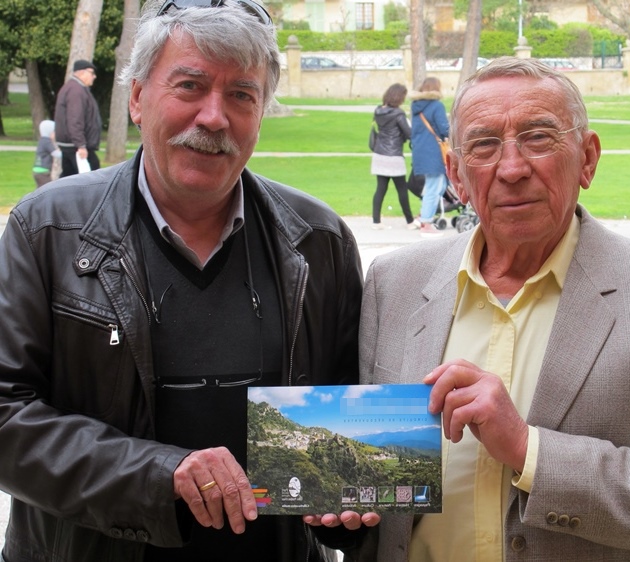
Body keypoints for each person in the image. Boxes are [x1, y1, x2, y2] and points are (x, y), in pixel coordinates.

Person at [0, 1, 377, 560]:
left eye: (241, 96)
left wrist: (350, 508)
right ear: (135, 98)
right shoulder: (47, 230)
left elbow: (350, 414)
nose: (213, 117)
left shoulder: (318, 241)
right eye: (190, 86)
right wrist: (162, 474)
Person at [357, 57, 630, 561]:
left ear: (587, 159)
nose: (512, 168)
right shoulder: (394, 283)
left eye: (539, 138)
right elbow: (372, 490)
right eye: (484, 145)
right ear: (456, 174)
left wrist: (525, 447)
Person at [369, 83, 419, 230]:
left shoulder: (378, 111)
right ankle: (410, 221)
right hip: (394, 155)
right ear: (399, 97)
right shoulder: (398, 114)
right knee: (402, 189)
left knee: (381, 189)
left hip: (379, 154)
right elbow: (409, 134)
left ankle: (376, 221)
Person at [410, 77, 449, 238]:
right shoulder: (436, 106)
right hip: (434, 152)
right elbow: (444, 128)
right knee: (436, 186)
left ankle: (422, 216)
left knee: (435, 185)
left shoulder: (415, 106)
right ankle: (426, 221)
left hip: (420, 151)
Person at [54, 58, 102, 176]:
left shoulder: (75, 88)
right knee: (93, 175)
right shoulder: (75, 91)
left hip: (72, 145)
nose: (94, 76)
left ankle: (59, 194)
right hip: (75, 146)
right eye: (91, 73)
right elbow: (75, 119)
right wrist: (80, 145)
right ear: (81, 72)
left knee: (69, 177)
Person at [31, 119, 61, 188]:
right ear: (49, 132)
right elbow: (56, 154)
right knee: (48, 189)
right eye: (54, 132)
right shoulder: (47, 142)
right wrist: (65, 153)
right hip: (44, 171)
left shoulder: (42, 141)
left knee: (40, 190)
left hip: (37, 170)